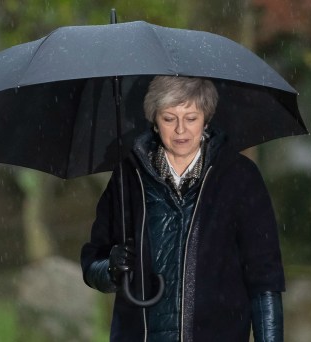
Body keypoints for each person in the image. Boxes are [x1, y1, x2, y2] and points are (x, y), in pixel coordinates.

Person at [80, 76, 285, 341]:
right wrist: (111, 267)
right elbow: (92, 264)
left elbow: (265, 280)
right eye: (169, 118)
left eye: (191, 118)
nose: (180, 130)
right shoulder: (128, 178)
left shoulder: (240, 177)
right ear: (154, 121)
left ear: (206, 120)